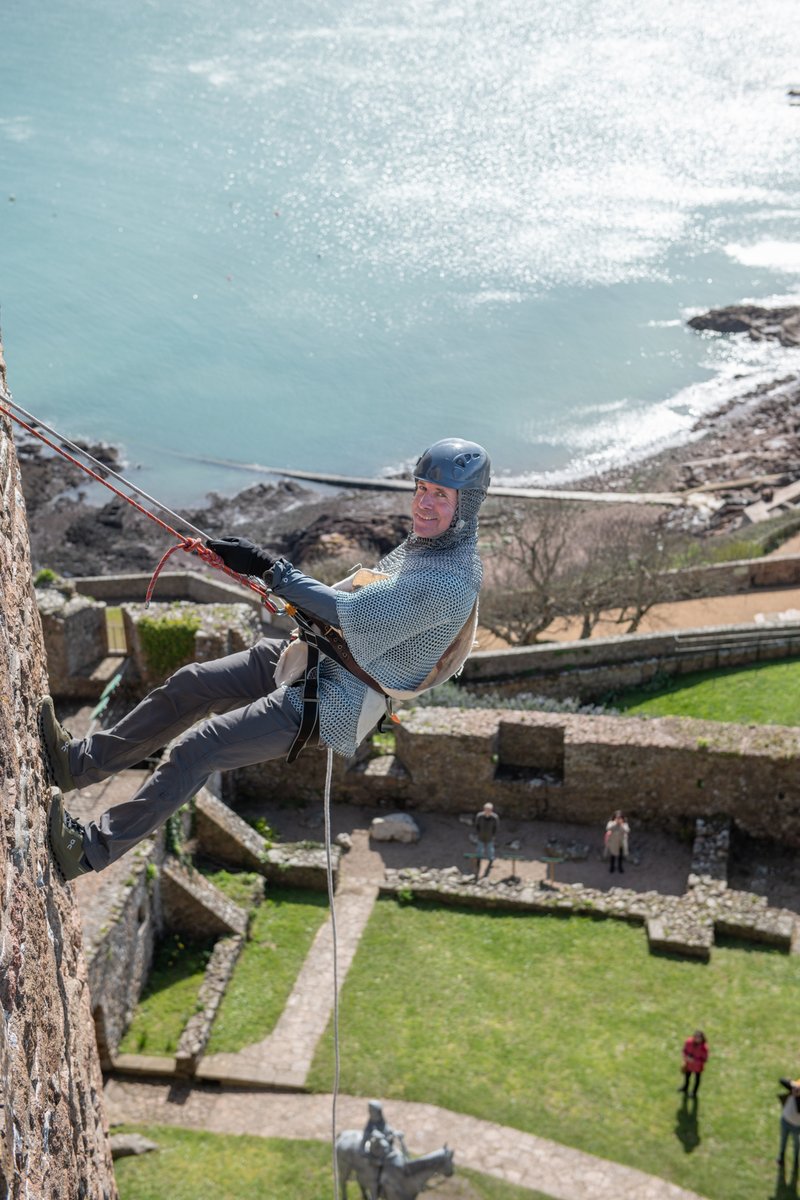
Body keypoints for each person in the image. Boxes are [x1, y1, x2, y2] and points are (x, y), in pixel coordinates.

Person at [41, 438, 490, 880]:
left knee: (198, 750)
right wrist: (263, 571)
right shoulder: (425, 549)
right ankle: (79, 763)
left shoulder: (448, 581)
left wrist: (268, 567)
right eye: (421, 489)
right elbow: (348, 604)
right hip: (320, 654)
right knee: (192, 683)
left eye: (441, 496)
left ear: (466, 506)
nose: (424, 503)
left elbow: (348, 613)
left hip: (335, 699)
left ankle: (89, 851)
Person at [777, 1077, 800, 1170]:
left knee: (796, 1144)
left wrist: (797, 1096)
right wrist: (792, 1084)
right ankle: (781, 1157)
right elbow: (781, 1080)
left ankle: (795, 1161)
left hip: (796, 1126)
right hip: (785, 1121)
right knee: (783, 1140)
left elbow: (799, 1108)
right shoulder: (793, 1089)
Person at [679, 1030, 709, 1098]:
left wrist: (694, 1060)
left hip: (698, 1067)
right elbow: (684, 1051)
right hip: (688, 1065)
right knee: (687, 1077)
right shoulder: (688, 1042)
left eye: (699, 1038)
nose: (697, 1039)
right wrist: (686, 1057)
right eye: (696, 1037)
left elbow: (704, 1059)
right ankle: (685, 1087)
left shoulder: (704, 1048)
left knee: (697, 1079)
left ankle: (694, 1092)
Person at [474, 801, 499, 878]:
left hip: (490, 837)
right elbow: (477, 825)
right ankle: (479, 859)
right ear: (484, 809)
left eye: (489, 810)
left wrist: (493, 835)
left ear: (491, 810)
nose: (487, 811)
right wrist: (478, 833)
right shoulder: (479, 816)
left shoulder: (494, 818)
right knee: (479, 849)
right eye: (486, 809)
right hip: (481, 836)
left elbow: (496, 827)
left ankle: (491, 859)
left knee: (490, 849)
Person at [604, 810, 629, 874]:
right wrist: (615, 823)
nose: (618, 819)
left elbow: (627, 830)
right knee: (613, 856)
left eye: (619, 818)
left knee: (620, 856)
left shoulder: (624, 824)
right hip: (613, 843)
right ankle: (612, 867)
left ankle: (620, 867)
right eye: (617, 818)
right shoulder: (611, 823)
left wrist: (621, 825)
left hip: (621, 843)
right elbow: (608, 828)